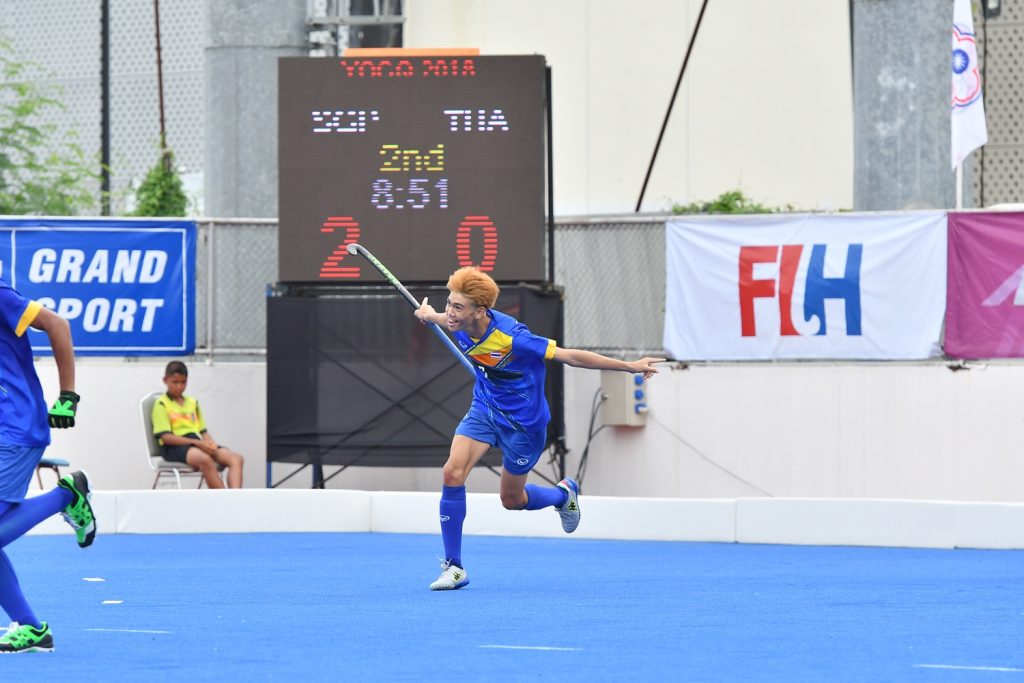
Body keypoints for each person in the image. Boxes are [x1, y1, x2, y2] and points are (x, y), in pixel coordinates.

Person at [415, 267, 663, 590]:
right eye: (448, 303)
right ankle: (455, 567)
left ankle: (562, 495)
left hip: (524, 426)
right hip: (485, 409)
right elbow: (442, 318)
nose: (450, 311)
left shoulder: (514, 337)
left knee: (511, 499)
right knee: (452, 472)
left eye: (457, 307)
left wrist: (630, 367)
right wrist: (429, 315)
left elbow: (571, 357)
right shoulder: (456, 323)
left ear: (480, 311)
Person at [0, 277, 95, 653]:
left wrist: (68, 395)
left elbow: (58, 324)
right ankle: (31, 628)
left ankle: (65, 496)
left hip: (15, 428)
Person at [151, 361, 245, 489]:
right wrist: (197, 443)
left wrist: (209, 442)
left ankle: (235, 497)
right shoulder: (161, 404)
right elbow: (166, 438)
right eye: (175, 382)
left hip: (196, 443)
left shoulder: (192, 403)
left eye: (183, 382)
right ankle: (224, 498)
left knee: (236, 459)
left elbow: (203, 431)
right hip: (174, 447)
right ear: (165, 380)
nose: (179, 386)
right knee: (205, 459)